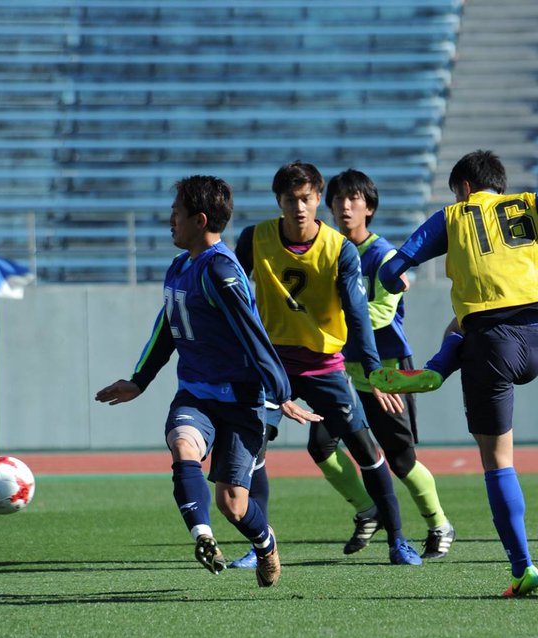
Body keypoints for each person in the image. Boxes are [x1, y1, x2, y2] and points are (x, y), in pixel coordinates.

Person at [370, 149, 538, 597]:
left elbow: (392, 268)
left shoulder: (453, 216)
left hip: (491, 348)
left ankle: (522, 569)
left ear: (463, 188)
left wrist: (394, 281)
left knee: (498, 462)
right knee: (464, 323)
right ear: (498, 184)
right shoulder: (528, 204)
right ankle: (438, 368)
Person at [94, 175, 320, 587]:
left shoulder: (219, 270)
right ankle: (203, 536)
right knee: (184, 445)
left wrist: (281, 391)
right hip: (196, 394)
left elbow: (252, 331)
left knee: (234, 504)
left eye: (175, 215)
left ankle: (266, 543)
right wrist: (139, 381)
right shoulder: (180, 267)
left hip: (242, 401)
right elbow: (167, 328)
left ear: (199, 220)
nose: (170, 222)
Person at [233, 160, 423, 566]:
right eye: (290, 200)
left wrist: (372, 370)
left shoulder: (340, 249)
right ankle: (259, 545)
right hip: (273, 365)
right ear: (279, 201)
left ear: (318, 199)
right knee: (254, 445)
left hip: (324, 364)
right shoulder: (254, 239)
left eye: (306, 199)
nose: (299, 207)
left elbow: (358, 315)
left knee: (365, 448)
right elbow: (232, 294)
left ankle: (398, 541)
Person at [314, 167, 456, 560]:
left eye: (353, 200)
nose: (344, 206)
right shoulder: (329, 252)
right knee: (321, 444)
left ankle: (439, 523)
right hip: (344, 370)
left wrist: (331, 325)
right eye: (338, 200)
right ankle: (368, 509)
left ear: (369, 208)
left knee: (401, 458)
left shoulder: (384, 255)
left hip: (387, 369)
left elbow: (378, 313)